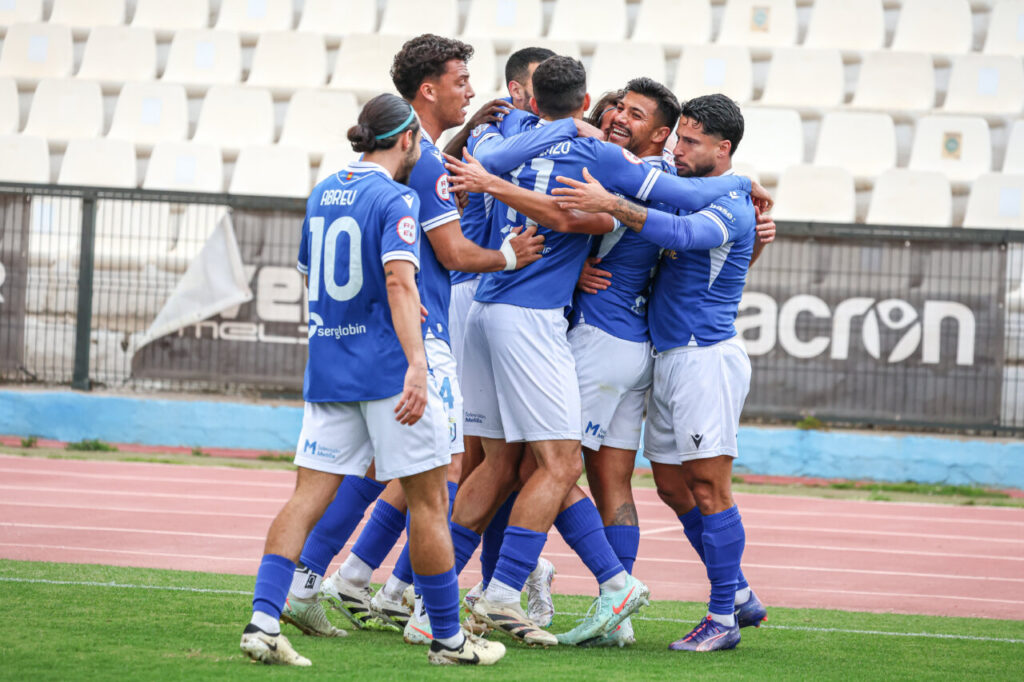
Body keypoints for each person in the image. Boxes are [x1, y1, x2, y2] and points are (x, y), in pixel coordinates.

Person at [443, 56, 760, 647]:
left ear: (662, 136)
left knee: (539, 466)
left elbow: (585, 217)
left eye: (635, 114)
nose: (617, 117)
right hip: (641, 349)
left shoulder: (627, 173)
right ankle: (634, 610)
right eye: (614, 107)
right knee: (615, 484)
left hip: (602, 338)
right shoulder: (659, 175)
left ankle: (513, 588)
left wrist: (518, 187)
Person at [280, 35, 566, 646]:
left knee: (376, 466)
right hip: (423, 330)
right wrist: (511, 255)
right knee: (439, 470)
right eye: (461, 79)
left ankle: (331, 582)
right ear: (428, 91)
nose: (470, 88)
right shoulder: (427, 163)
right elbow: (453, 252)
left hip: (372, 335)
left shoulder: (402, 159)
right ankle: (422, 615)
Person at [239, 93, 505, 667]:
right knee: (430, 503)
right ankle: (448, 640)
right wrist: (416, 362)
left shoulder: (322, 192)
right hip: (389, 371)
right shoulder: (397, 198)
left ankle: (263, 622)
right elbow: (400, 283)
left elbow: (310, 277)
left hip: (331, 367)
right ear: (407, 137)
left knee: (306, 497)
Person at [552, 93, 767, 652]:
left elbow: (683, 237)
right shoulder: (709, 189)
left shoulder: (730, 205)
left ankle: (723, 617)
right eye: (679, 138)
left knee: (711, 488)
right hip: (667, 356)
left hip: (704, 358)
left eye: (692, 142)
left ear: (723, 149)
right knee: (672, 486)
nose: (680, 149)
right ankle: (739, 592)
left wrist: (612, 203)